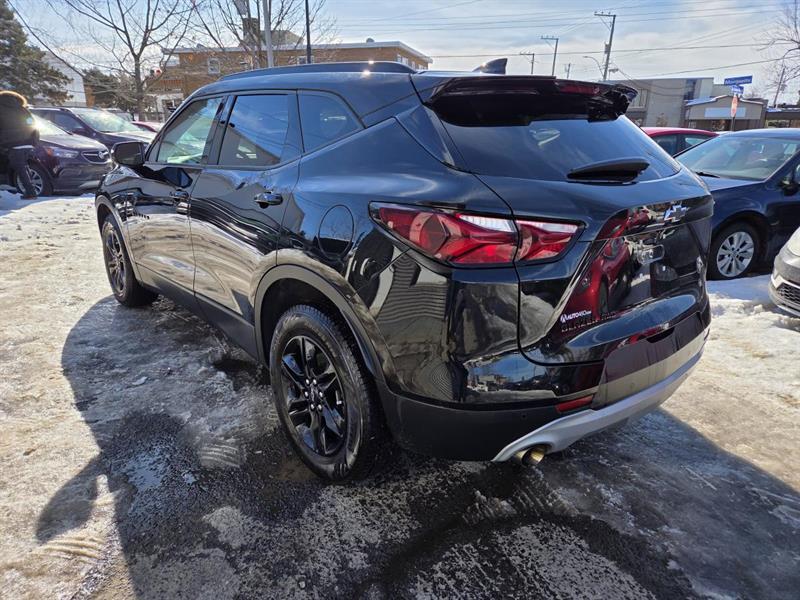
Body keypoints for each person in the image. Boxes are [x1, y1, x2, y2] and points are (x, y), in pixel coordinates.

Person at [0, 90, 39, 199]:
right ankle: (31, 190)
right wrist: (34, 140)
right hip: (28, 143)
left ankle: (31, 192)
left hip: (12, 143)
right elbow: (33, 124)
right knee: (23, 166)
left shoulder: (1, 109)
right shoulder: (23, 109)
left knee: (20, 167)